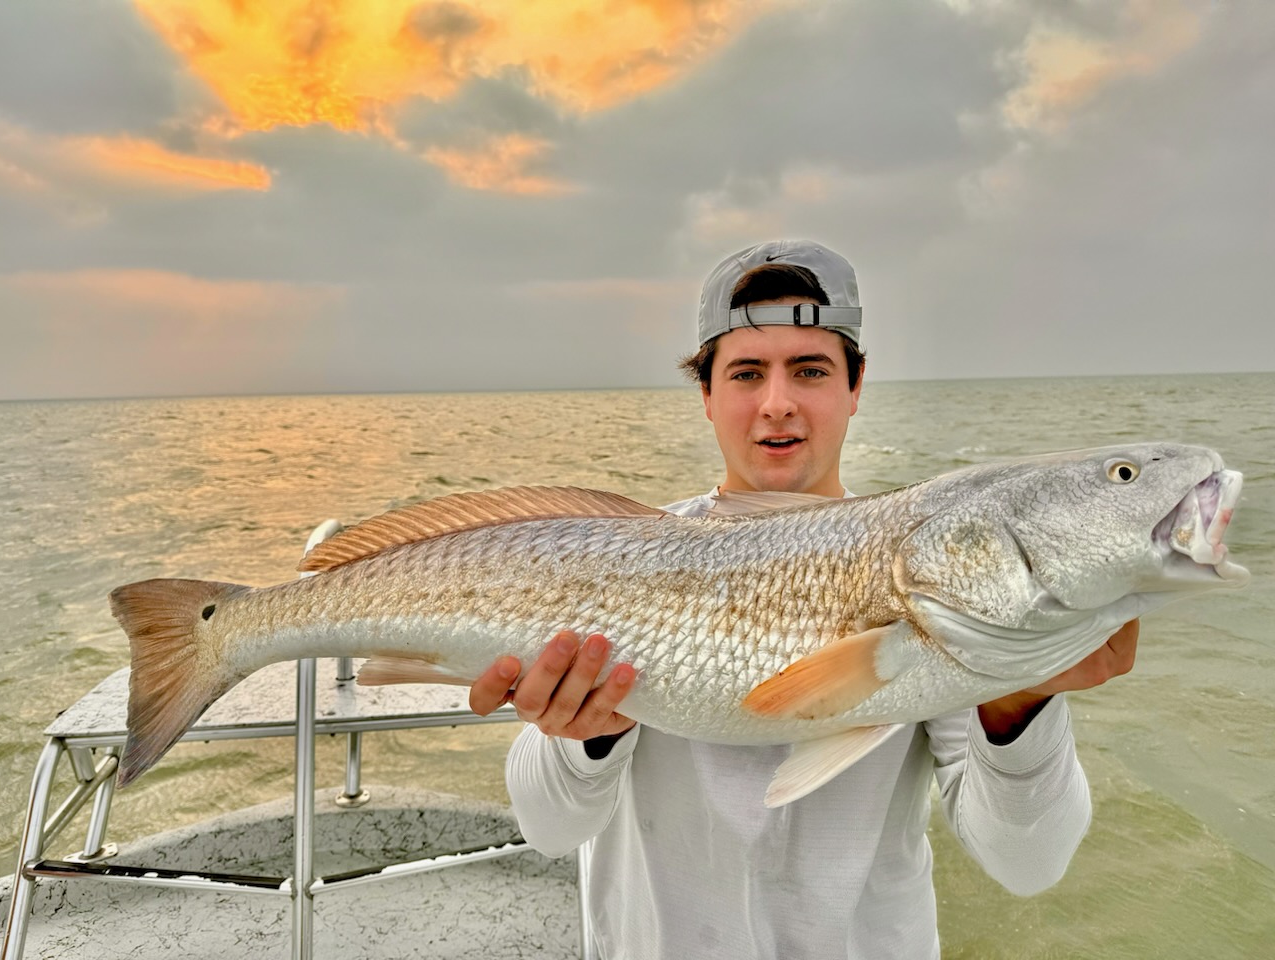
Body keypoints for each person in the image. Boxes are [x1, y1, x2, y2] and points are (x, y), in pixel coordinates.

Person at [468, 240, 1138, 959]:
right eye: (747, 372)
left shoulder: (932, 570)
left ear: (856, 386)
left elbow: (1029, 863)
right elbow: (549, 828)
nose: (777, 404)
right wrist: (584, 738)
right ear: (708, 396)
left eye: (810, 370)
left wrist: (1020, 704)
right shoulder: (619, 559)